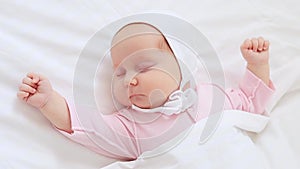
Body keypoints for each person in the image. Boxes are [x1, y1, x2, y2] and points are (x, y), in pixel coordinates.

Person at [17, 22, 274, 160]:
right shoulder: (132, 126)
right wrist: (48, 100)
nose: (129, 80)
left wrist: (257, 65)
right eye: (119, 73)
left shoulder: (213, 96)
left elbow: (252, 101)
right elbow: (87, 126)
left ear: (181, 66)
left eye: (143, 67)